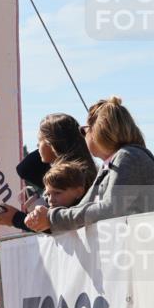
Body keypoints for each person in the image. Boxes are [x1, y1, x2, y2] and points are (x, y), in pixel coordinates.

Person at [27, 97, 154, 233]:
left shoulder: (128, 156)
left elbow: (110, 210)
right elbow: (83, 208)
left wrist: (51, 218)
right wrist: (46, 219)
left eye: (84, 130)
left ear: (97, 130)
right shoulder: (118, 160)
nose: (84, 136)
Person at [0, 113, 98, 230]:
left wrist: (16, 218)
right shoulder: (80, 171)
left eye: (39, 141)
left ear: (50, 143)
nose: (37, 146)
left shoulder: (71, 174)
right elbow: (24, 170)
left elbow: (58, 224)